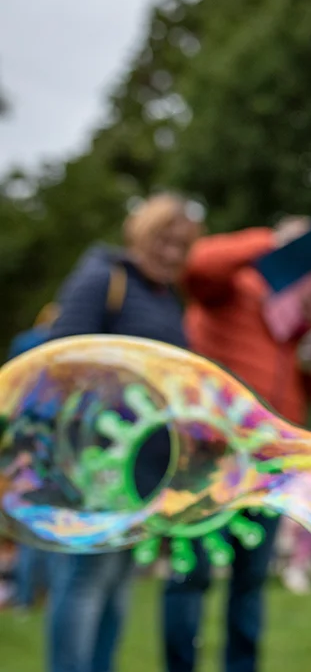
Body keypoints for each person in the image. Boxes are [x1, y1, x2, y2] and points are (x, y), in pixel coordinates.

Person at [165, 217, 311, 672]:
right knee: (193, 573)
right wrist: (271, 240)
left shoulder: (295, 315)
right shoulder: (234, 283)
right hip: (209, 455)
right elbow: (196, 266)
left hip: (270, 464)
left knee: (250, 580)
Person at [44, 193, 201, 672]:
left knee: (115, 583)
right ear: (139, 233)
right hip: (95, 461)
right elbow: (59, 360)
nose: (172, 254)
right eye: (163, 240)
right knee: (86, 578)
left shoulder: (165, 298)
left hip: (143, 469)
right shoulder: (103, 279)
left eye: (181, 245)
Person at [6, 303, 59, 613]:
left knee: (33, 516)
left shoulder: (25, 343)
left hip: (25, 440)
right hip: (45, 442)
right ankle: (34, 593)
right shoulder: (55, 348)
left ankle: (27, 596)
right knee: (46, 518)